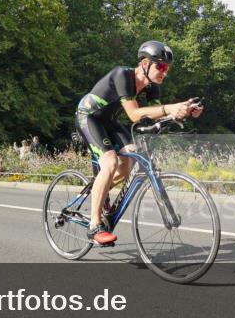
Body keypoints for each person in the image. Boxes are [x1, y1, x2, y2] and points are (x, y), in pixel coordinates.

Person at [75, 40, 203, 245]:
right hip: (89, 117)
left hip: (109, 121)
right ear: (145, 63)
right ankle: (95, 225)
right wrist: (170, 108)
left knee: (129, 161)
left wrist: (184, 112)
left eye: (167, 68)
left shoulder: (152, 88)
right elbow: (134, 115)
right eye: (160, 66)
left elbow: (158, 115)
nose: (164, 72)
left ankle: (101, 188)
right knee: (110, 162)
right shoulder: (122, 75)